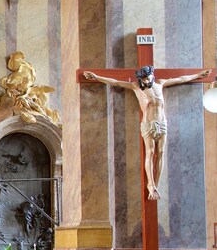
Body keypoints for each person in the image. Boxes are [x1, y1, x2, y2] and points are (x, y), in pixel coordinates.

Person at [84, 66, 211, 200]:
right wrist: (97, 77)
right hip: (149, 124)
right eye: (143, 79)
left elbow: (180, 79)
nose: (146, 81)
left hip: (162, 123)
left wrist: (198, 75)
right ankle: (150, 184)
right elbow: (116, 82)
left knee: (161, 152)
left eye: (147, 78)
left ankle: (156, 184)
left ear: (152, 75)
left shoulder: (160, 83)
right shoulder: (136, 87)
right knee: (150, 152)